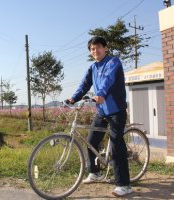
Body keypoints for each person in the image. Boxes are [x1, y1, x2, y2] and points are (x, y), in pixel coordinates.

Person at [67, 36, 132, 197]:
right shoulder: (93, 68)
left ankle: (124, 184)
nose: (95, 51)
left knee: (117, 144)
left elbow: (108, 81)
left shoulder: (113, 62)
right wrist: (73, 98)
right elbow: (84, 84)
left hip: (116, 110)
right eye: (92, 49)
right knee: (91, 142)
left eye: (98, 47)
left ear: (105, 48)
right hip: (102, 111)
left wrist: (100, 94)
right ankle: (95, 173)